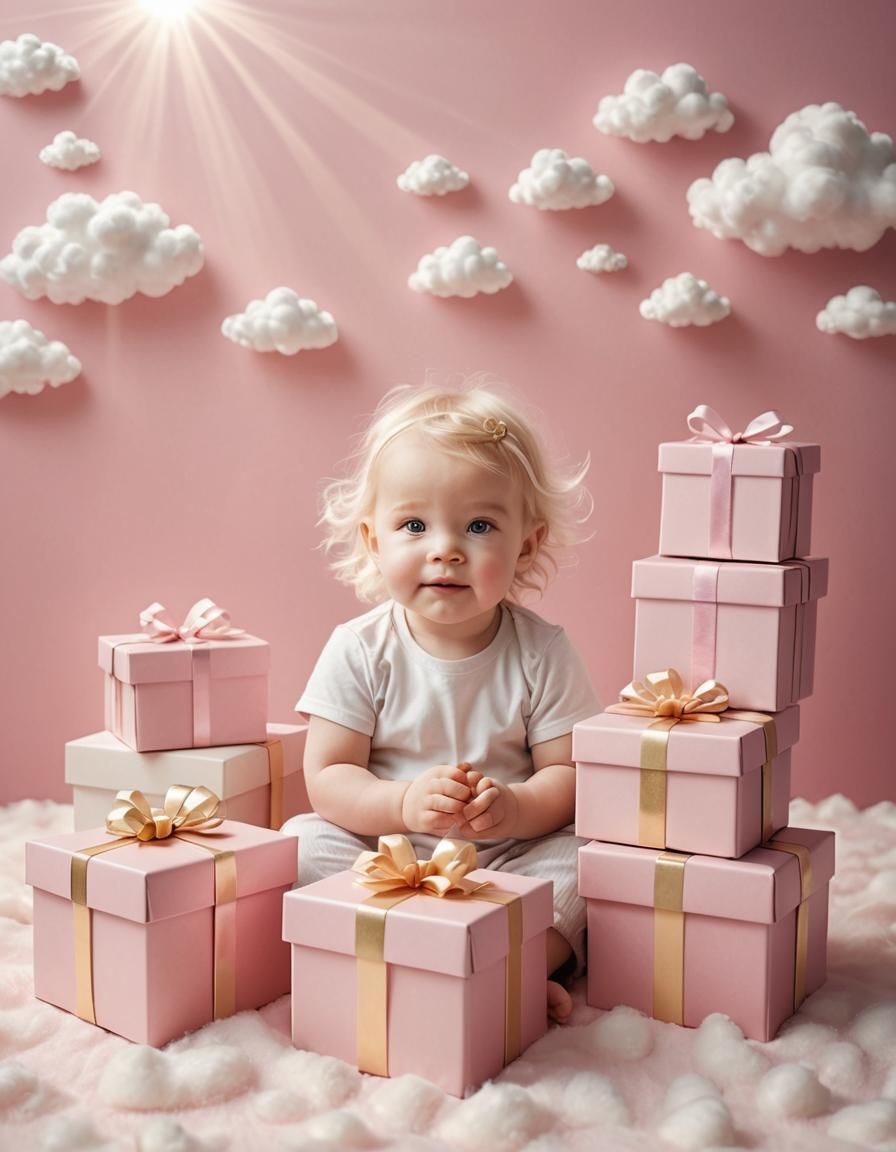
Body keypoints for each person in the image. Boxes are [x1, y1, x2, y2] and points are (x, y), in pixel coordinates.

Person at [282, 381, 599, 1021]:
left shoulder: (542, 652)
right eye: (414, 525)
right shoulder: (359, 648)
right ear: (375, 539)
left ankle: (515, 966)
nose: (445, 547)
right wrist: (400, 803)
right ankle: (397, 954)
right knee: (300, 842)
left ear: (526, 545)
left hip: (506, 857)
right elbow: (329, 776)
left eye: (479, 525)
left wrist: (513, 808)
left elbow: (570, 776)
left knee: (588, 862)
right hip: (386, 854)